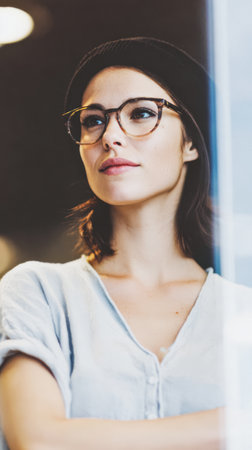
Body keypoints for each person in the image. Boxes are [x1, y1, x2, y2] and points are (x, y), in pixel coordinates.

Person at [0, 36, 251, 450]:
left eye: (141, 114)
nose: (111, 136)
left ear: (191, 142)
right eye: (93, 120)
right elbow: (39, 440)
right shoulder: (39, 293)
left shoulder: (243, 312)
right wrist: (236, 423)